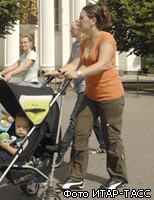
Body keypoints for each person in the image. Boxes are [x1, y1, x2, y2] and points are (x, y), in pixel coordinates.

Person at [43, 4, 128, 190]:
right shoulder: (84, 42)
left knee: (111, 137)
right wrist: (56, 72)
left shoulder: (107, 39)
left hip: (110, 96)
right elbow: (74, 64)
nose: (79, 21)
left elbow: (101, 64)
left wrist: (79, 74)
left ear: (92, 21)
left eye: (82, 18)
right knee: (79, 133)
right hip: (90, 95)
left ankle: (118, 176)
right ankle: (76, 176)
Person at [58, 20, 105, 163]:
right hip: (79, 87)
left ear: (78, 30)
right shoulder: (75, 45)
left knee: (74, 119)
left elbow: (87, 65)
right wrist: (57, 72)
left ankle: (60, 154)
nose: (70, 32)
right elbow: (70, 62)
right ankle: (104, 144)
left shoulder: (87, 43)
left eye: (71, 29)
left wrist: (75, 74)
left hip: (86, 86)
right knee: (93, 120)